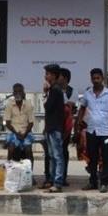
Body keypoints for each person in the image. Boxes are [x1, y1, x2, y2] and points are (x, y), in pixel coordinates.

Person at [77, 68, 108, 193]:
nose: (96, 80)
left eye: (98, 78)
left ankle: (104, 183)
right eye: (93, 78)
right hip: (91, 131)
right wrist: (79, 121)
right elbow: (82, 108)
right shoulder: (88, 93)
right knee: (92, 158)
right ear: (91, 79)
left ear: (102, 79)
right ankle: (93, 181)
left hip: (106, 131)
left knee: (106, 158)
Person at [41, 64, 66, 193]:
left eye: (48, 74)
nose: (46, 76)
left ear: (54, 75)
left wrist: (45, 94)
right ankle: (52, 180)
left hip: (55, 128)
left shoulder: (55, 90)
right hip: (51, 127)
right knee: (52, 155)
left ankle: (57, 182)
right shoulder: (54, 89)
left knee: (57, 155)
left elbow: (47, 107)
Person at [3, 83, 35, 164]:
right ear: (13, 93)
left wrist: (24, 134)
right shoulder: (9, 104)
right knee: (11, 149)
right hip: (13, 132)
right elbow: (7, 123)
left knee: (28, 150)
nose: (18, 94)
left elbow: (31, 123)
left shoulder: (28, 104)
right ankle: (9, 170)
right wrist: (17, 134)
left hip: (26, 132)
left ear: (23, 93)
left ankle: (29, 174)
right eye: (15, 92)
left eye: (20, 91)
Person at [57, 68, 76, 186]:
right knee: (53, 151)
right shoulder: (55, 90)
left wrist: (66, 105)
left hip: (67, 124)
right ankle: (52, 176)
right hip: (56, 123)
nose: (57, 78)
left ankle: (63, 176)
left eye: (59, 76)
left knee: (64, 150)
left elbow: (72, 105)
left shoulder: (72, 91)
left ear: (65, 78)